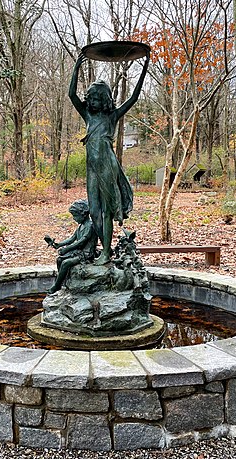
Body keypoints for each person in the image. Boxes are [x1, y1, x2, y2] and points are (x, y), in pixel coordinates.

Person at [69, 52, 149, 264]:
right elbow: (71, 95)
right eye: (91, 97)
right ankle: (100, 248)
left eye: (97, 98)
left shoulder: (112, 116)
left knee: (106, 211)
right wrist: (77, 67)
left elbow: (133, 98)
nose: (93, 101)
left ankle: (105, 253)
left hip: (107, 164)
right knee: (93, 210)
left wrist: (144, 68)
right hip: (91, 166)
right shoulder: (88, 115)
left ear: (104, 100)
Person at [44, 199, 98, 293]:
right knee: (59, 259)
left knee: (66, 263)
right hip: (79, 251)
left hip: (87, 254)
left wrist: (66, 249)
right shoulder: (81, 226)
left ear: (83, 214)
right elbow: (72, 239)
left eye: (75, 216)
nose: (74, 218)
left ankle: (56, 286)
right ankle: (63, 281)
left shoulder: (90, 226)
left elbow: (81, 242)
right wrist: (59, 244)